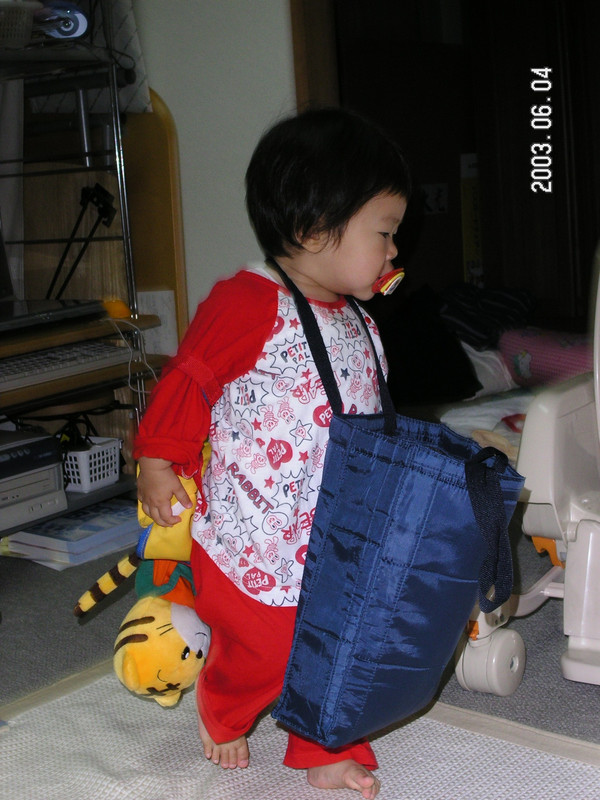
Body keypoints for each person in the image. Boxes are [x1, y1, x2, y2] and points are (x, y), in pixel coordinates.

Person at [133, 106, 411, 798]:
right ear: (314, 229)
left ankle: (322, 747)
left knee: (340, 643)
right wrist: (159, 458)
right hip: (253, 538)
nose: (393, 253)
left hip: (335, 533)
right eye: (383, 234)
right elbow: (191, 378)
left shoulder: (360, 321)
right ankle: (224, 700)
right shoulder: (248, 302)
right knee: (270, 646)